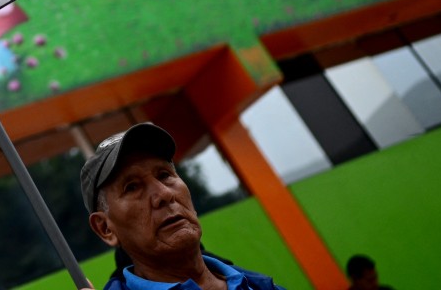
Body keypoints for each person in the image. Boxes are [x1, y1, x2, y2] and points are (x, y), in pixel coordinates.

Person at [80, 122, 288, 290]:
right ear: (105, 228)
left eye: (165, 175)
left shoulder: (257, 285)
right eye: (132, 187)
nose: (164, 194)